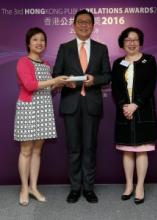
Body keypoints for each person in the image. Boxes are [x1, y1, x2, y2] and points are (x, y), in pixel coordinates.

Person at [53, 9, 111, 203]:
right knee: (74, 148)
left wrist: (95, 80)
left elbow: (107, 75)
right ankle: (75, 188)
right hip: (71, 104)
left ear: (93, 26)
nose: (84, 25)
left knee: (89, 148)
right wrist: (64, 81)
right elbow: (56, 74)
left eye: (88, 22)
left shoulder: (101, 48)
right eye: (80, 22)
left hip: (92, 105)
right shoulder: (64, 47)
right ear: (74, 25)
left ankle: (88, 188)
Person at [14, 27, 68, 206]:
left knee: (37, 151)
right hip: (28, 109)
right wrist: (54, 80)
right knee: (26, 150)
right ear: (28, 43)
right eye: (35, 39)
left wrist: (60, 84)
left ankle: (33, 187)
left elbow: (46, 88)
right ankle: (24, 188)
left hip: (44, 109)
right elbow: (30, 86)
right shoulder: (23, 61)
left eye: (42, 40)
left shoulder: (46, 65)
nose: (39, 43)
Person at [111, 27, 157, 204]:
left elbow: (150, 86)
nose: (132, 43)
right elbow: (115, 88)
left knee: (142, 150)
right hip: (124, 112)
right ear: (122, 43)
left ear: (140, 42)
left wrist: (135, 104)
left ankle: (140, 186)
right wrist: (125, 106)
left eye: (135, 39)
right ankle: (129, 185)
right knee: (128, 151)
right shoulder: (117, 63)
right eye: (128, 40)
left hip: (143, 110)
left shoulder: (149, 60)